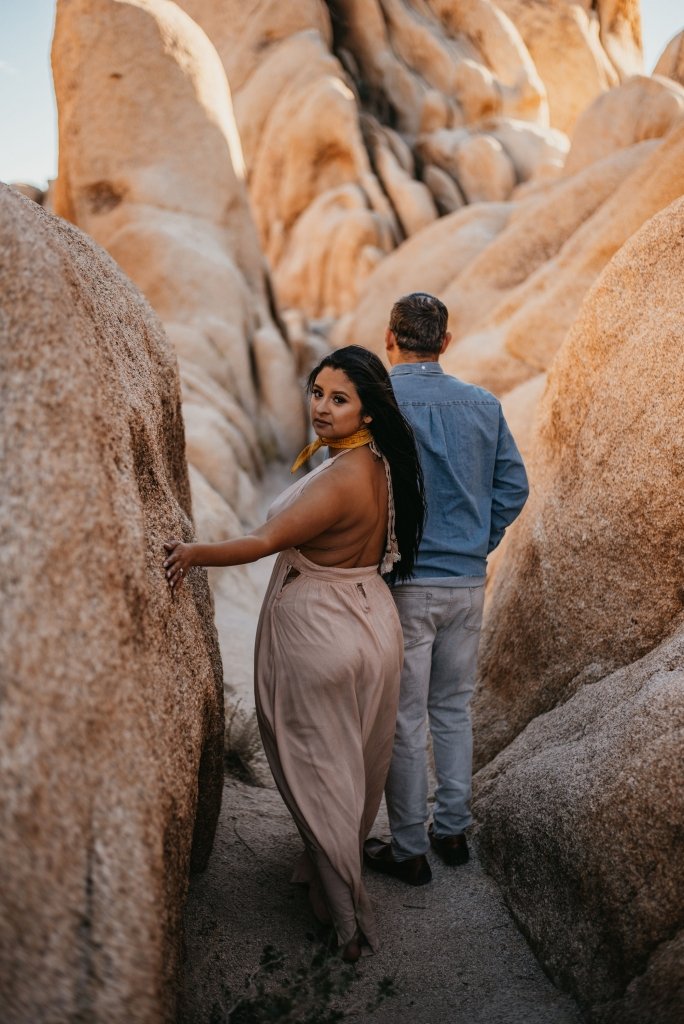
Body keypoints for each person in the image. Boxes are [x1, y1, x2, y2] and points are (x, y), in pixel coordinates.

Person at [164, 346, 425, 961]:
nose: (322, 409)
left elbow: (262, 542)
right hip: (369, 619)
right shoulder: (383, 462)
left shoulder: (343, 478)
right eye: (317, 393)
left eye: (340, 399)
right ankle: (331, 874)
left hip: (322, 632)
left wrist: (191, 553)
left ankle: (346, 924)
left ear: (368, 408)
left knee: (317, 772)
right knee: (351, 766)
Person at [364, 293, 529, 886]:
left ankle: (408, 847)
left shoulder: (376, 407)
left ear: (390, 338)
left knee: (406, 717)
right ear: (446, 342)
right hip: (466, 582)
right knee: (453, 709)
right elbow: (514, 484)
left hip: (404, 584)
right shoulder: (483, 405)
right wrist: (477, 542)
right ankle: (452, 828)